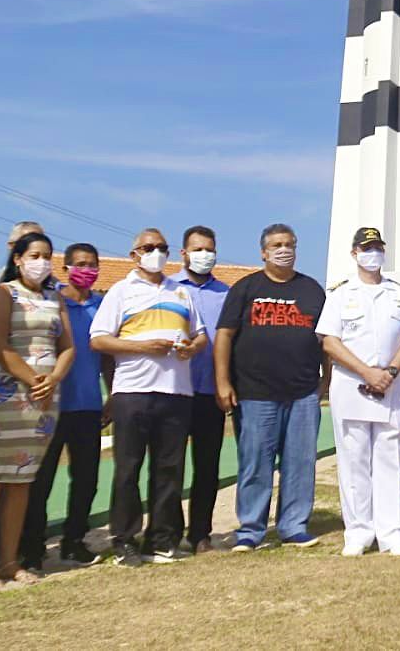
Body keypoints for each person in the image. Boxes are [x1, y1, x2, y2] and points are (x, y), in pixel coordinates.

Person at [90, 228, 208, 566]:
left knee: (169, 469)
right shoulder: (120, 291)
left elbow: (200, 337)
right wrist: (142, 346)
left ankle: (160, 538)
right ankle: (124, 539)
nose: (155, 252)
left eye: (161, 248)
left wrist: (191, 348)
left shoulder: (181, 293)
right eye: (148, 247)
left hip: (176, 391)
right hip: (133, 391)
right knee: (128, 468)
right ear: (135, 254)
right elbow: (98, 340)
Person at [213, 224, 328, 550]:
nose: (284, 249)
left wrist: (326, 380)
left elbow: (326, 337)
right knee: (255, 462)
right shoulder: (246, 288)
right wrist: (223, 382)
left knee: (300, 463)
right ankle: (251, 530)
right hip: (255, 393)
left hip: (303, 393)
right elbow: (224, 335)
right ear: (264, 251)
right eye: (277, 244)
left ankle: (294, 526)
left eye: (290, 243)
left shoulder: (311, 290)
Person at [0, 232, 73, 587]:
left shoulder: (54, 297)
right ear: (17, 258)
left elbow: (67, 346)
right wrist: (31, 377)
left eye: (46, 256)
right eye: (33, 255)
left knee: (23, 481)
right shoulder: (4, 293)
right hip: (7, 397)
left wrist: (53, 378)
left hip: (45, 399)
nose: (40, 261)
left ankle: (10, 562)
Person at [317, 227, 400, 556]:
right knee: (354, 462)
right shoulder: (339, 295)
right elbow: (329, 341)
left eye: (377, 247)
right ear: (354, 253)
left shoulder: (399, 295)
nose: (372, 253)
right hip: (351, 385)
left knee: (391, 460)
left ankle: (393, 535)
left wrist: (388, 372)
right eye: (366, 247)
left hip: (389, 387)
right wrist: (366, 372)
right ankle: (359, 532)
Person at [20, 243, 111, 570]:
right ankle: (32, 546)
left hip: (88, 406)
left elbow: (108, 357)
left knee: (87, 479)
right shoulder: (50, 300)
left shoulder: (103, 305)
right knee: (40, 480)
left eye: (92, 264)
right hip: (49, 405)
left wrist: (111, 393)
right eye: (80, 264)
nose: (87, 269)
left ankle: (75, 541)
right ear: (66, 269)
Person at [175, 225, 231, 554]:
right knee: (170, 466)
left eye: (209, 249)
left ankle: (200, 534)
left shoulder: (226, 294)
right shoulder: (168, 290)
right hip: (173, 390)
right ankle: (166, 532)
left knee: (207, 467)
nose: (204, 255)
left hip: (211, 390)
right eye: (197, 249)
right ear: (184, 253)